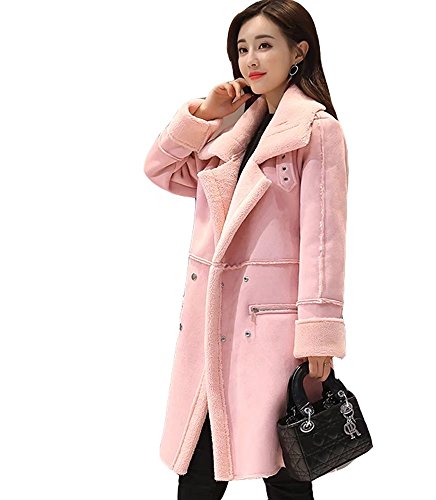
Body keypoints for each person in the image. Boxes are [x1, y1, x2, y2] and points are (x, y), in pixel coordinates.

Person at [143, 1, 349, 498]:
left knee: (287, 467)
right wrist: (204, 115)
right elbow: (161, 170)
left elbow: (324, 240)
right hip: (212, 324)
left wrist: (318, 336)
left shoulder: (317, 130)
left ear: (298, 51)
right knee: (198, 464)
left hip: (273, 332)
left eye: (265, 45)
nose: (250, 59)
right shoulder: (234, 130)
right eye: (242, 48)